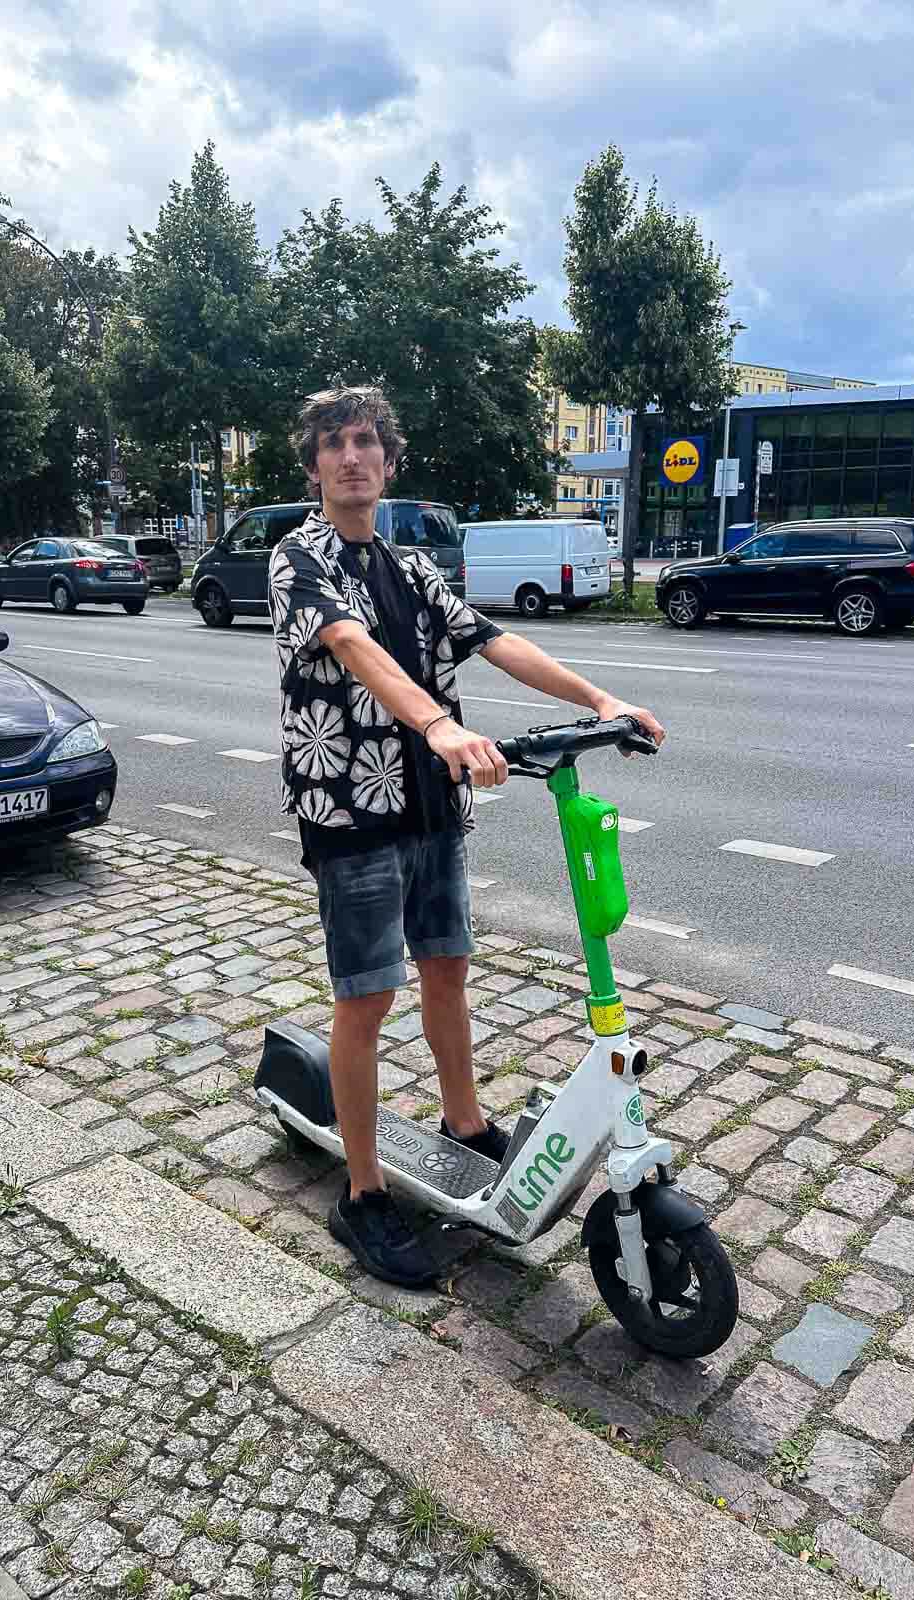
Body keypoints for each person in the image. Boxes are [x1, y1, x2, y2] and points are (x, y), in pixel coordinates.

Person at [269, 386, 665, 1287]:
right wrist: (438, 726)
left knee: (447, 964)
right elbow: (352, 647)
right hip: (351, 809)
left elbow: (494, 640)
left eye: (366, 442)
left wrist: (600, 700)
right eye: (334, 444)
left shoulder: (410, 567)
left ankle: (463, 1120)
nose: (351, 458)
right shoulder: (300, 557)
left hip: (430, 805)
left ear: (389, 462)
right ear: (316, 465)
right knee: (367, 996)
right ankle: (363, 1194)